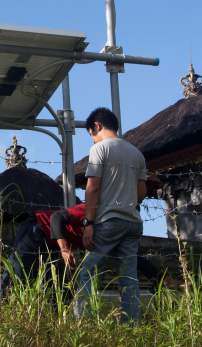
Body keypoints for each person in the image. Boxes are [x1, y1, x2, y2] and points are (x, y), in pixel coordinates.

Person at [76, 107, 147, 323]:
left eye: (91, 134)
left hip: (108, 221)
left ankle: (85, 322)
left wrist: (88, 223)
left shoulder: (99, 150)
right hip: (133, 223)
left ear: (96, 126)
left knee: (87, 271)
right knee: (129, 278)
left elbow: (92, 188)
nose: (93, 139)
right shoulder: (137, 153)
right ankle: (132, 326)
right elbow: (141, 191)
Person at [0, 201, 88, 299]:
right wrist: (65, 249)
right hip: (38, 231)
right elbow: (56, 218)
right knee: (16, 281)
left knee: (59, 294)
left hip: (56, 245)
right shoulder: (92, 210)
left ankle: (53, 314)